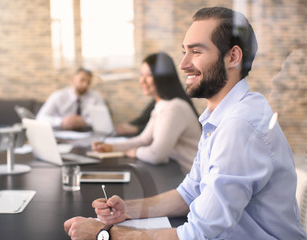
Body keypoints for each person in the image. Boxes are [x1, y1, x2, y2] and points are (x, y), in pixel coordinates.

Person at [64, 7, 307, 239]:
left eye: (197, 51)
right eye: (184, 52)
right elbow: (190, 192)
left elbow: (198, 235)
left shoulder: (239, 125)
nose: (183, 64)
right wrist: (129, 209)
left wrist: (104, 234)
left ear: (233, 56)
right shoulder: (220, 116)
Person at [92, 52, 201, 173]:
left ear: (162, 77)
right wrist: (111, 147)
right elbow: (143, 139)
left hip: (190, 178)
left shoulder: (174, 108)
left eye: (148, 75)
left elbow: (156, 154)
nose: (142, 80)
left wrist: (133, 152)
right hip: (175, 172)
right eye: (141, 75)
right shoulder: (161, 105)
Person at [36, 67, 107, 130]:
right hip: (62, 134)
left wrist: (85, 122)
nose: (85, 85)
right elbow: (40, 118)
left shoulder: (96, 97)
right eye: (82, 80)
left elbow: (104, 121)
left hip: (87, 134)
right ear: (73, 80)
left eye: (88, 82)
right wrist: (61, 122)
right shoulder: (58, 96)